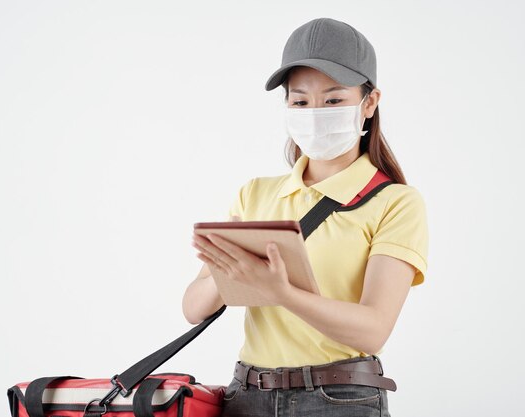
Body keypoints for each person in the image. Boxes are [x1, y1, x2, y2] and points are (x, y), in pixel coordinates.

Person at [182, 17, 428, 417]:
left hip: (340, 401)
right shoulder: (256, 194)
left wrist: (283, 293)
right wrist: (232, 270)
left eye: (333, 100)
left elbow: (373, 328)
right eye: (300, 101)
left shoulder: (396, 202)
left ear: (369, 102)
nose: (315, 113)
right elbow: (193, 308)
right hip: (246, 397)